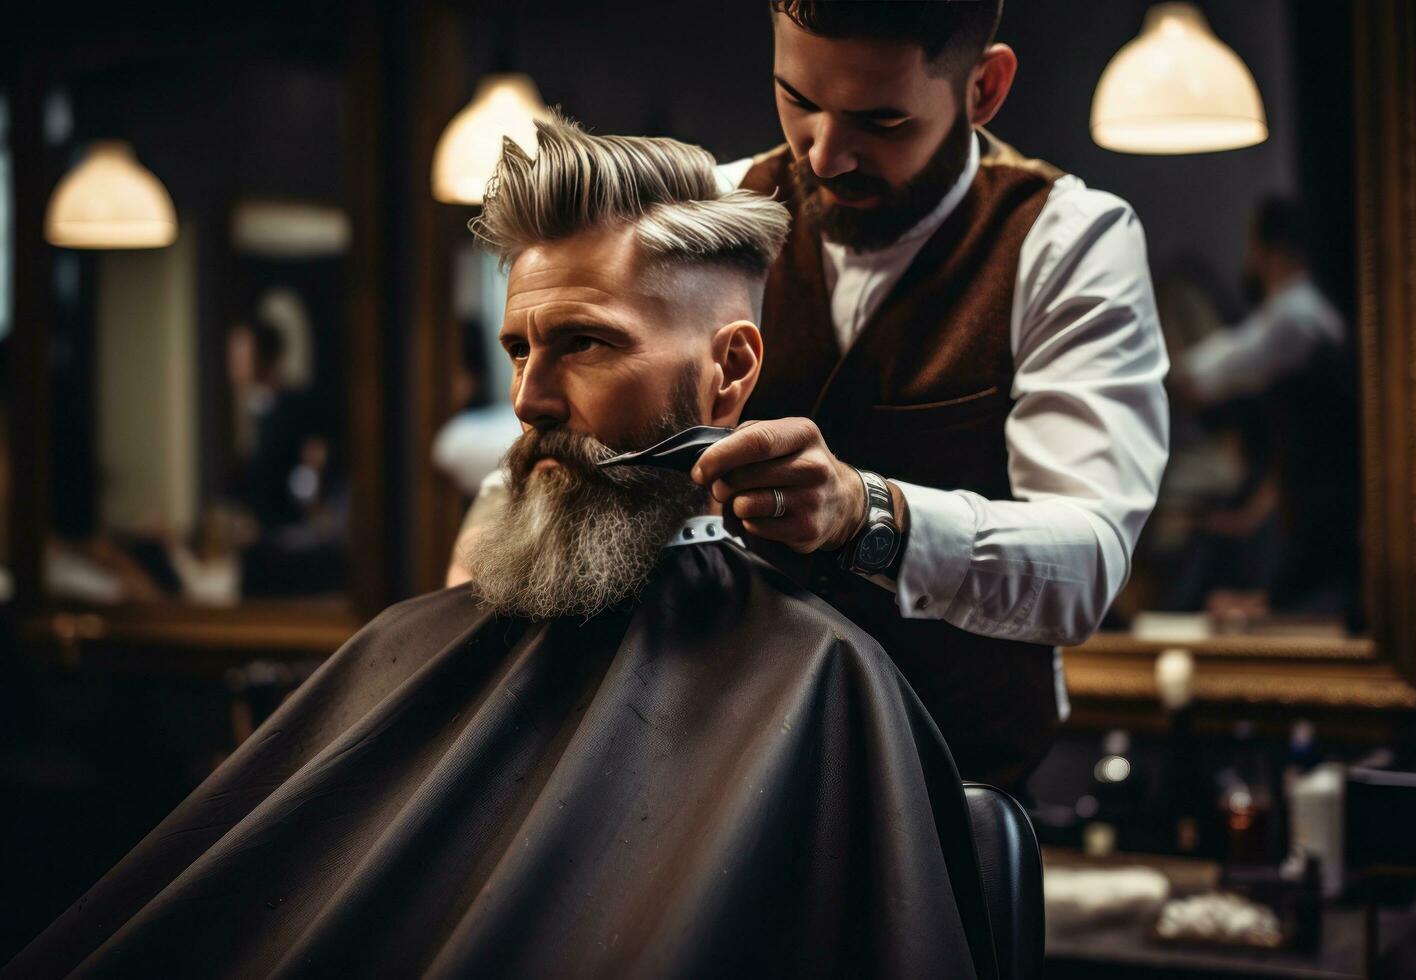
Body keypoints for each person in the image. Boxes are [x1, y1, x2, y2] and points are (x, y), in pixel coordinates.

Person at [6, 118, 998, 980]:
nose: (528, 400)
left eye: (585, 343)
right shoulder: (425, 636)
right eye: (520, 349)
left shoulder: (820, 683)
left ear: (730, 369)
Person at [446, 1, 1171, 789]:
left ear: (984, 89)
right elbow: (572, 442)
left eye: (881, 121)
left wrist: (869, 515)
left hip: (955, 788)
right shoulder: (717, 222)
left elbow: (1089, 564)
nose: (824, 156)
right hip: (717, 775)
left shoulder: (1065, 243)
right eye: (799, 101)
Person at [1175, 195, 1358, 618]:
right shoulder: (1308, 315)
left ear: (1265, 248)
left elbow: (1212, 372)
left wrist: (1175, 366)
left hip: (1321, 505)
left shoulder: (1297, 318)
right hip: (1307, 503)